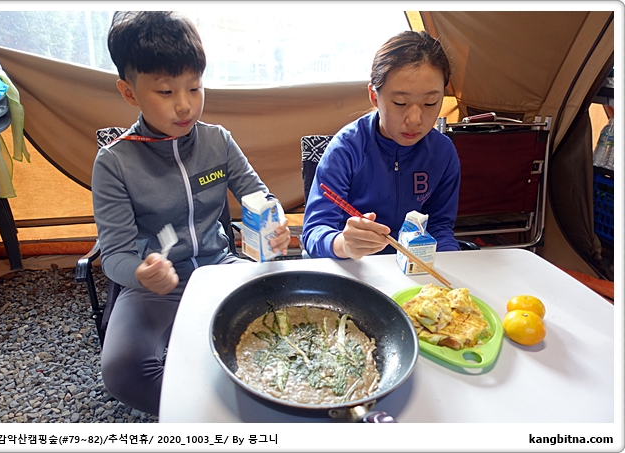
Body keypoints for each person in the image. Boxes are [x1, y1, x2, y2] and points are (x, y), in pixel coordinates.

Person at [92, 11, 290, 416]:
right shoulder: (114, 162)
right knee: (122, 370)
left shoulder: (218, 142)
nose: (185, 105)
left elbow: (258, 195)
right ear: (129, 92)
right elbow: (114, 255)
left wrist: (275, 223)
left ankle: (257, 402)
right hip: (158, 285)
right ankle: (206, 414)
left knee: (289, 316)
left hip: (221, 266)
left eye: (195, 88)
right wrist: (141, 273)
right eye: (166, 92)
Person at [302, 30, 460, 259]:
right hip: (355, 267)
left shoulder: (442, 152)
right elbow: (314, 232)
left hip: (413, 267)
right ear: (374, 96)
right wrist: (344, 244)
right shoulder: (346, 149)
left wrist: (452, 265)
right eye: (400, 102)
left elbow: (440, 227)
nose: (414, 119)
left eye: (430, 103)